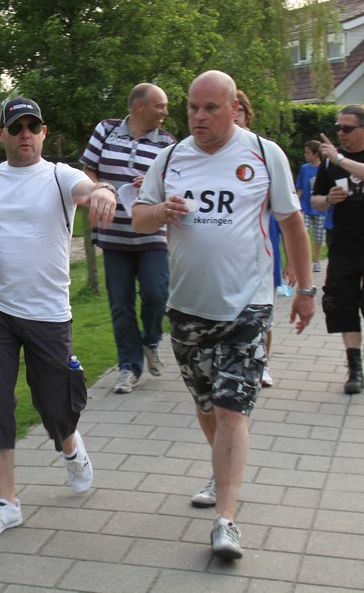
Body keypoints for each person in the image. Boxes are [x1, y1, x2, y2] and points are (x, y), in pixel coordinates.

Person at [132, 71, 315, 560]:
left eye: (211, 108)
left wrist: (305, 289)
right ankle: (221, 472)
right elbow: (139, 218)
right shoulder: (171, 157)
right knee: (208, 404)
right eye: (193, 107)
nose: (199, 117)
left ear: (234, 108)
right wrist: (161, 211)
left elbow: (292, 223)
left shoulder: (264, 155)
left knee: (233, 409)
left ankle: (226, 520)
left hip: (247, 304)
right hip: (187, 307)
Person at [0, 96, 117, 538]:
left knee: (55, 406)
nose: (25, 134)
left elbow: (88, 189)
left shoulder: (59, 175)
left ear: (44, 133)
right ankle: (7, 503)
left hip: (47, 314)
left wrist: (103, 192)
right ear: (1, 135)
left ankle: (71, 447)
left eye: (33, 127)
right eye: (16, 128)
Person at [80, 83, 175, 394]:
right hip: (114, 235)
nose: (165, 112)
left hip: (152, 234)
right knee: (121, 305)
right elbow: (87, 172)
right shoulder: (106, 131)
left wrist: (153, 184)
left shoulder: (168, 143)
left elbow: (177, 185)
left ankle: (151, 340)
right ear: (139, 106)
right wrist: (101, 188)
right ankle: (128, 368)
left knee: (156, 294)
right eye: (160, 105)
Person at [310, 104, 364, 395]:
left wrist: (340, 159)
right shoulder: (329, 162)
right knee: (343, 304)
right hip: (343, 243)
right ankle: (355, 368)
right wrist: (329, 199)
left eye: (347, 128)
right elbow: (315, 201)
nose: (341, 133)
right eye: (338, 128)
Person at [233, 89, 283, 388]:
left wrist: (295, 265)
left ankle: (262, 363)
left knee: (265, 311)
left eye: (239, 110)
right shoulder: (208, 153)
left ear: (247, 114)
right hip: (229, 254)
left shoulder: (265, 152)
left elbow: (287, 212)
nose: (234, 116)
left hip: (264, 248)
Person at [296, 140, 327, 272]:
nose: (305, 155)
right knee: (304, 233)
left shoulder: (324, 168)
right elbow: (301, 188)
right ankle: (306, 260)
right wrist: (296, 203)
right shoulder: (304, 168)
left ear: (316, 154)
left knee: (318, 236)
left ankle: (317, 260)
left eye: (308, 153)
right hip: (306, 207)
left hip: (320, 208)